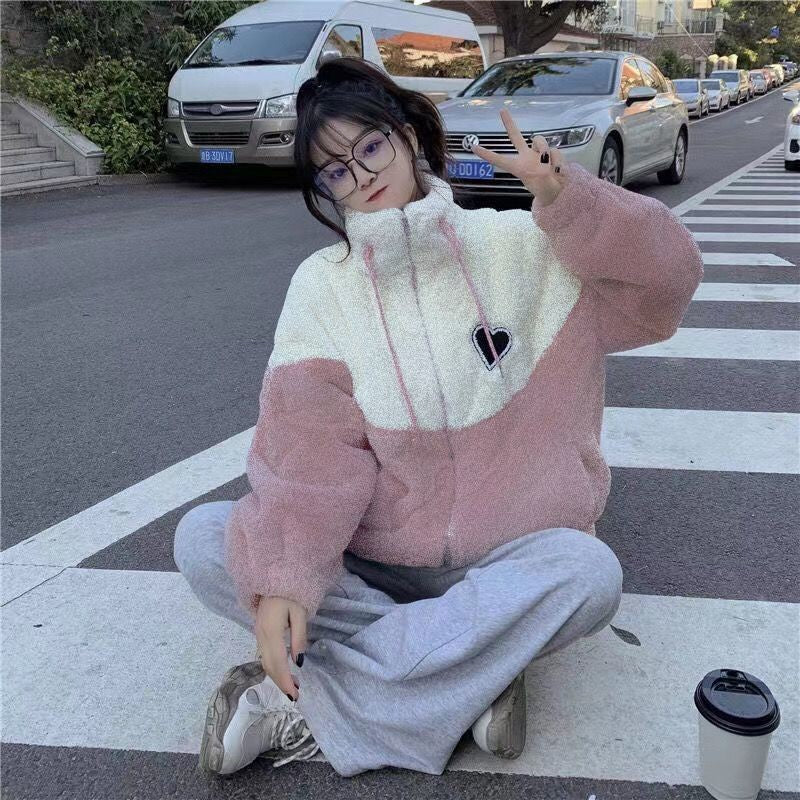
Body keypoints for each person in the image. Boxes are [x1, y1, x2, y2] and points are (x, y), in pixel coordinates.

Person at [173, 57, 704, 779]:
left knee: (587, 573)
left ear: (407, 133)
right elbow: (309, 449)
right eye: (334, 171)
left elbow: (667, 288)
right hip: (372, 562)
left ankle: (314, 702)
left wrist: (568, 198)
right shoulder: (322, 289)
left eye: (370, 147)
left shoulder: (523, 245)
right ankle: (471, 673)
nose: (360, 176)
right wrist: (289, 579)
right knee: (206, 539)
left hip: (507, 559)